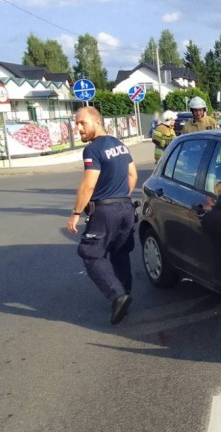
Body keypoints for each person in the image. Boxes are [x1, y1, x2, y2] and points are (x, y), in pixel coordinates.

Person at [66, 107, 138, 325]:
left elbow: (88, 185)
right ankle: (124, 293)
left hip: (105, 211)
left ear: (96, 122)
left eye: (82, 123)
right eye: (76, 123)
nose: (77, 127)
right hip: (126, 208)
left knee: (90, 253)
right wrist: (122, 197)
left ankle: (118, 295)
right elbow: (132, 174)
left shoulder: (93, 150)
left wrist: (76, 213)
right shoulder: (120, 145)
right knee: (119, 252)